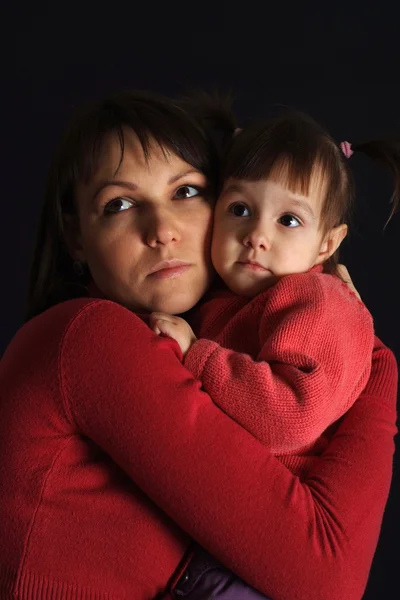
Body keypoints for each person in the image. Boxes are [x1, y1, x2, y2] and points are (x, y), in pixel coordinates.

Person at [0, 91, 397, 600]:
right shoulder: (91, 337)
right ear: (76, 237)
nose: (162, 230)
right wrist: (377, 360)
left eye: (186, 192)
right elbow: (325, 578)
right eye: (119, 204)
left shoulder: (200, 337)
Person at [150, 112, 400, 597]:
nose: (256, 235)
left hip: (265, 556)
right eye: (240, 208)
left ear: (327, 243)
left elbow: (289, 415)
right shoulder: (224, 298)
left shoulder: (316, 301)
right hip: (219, 534)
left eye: (288, 220)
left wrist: (196, 355)